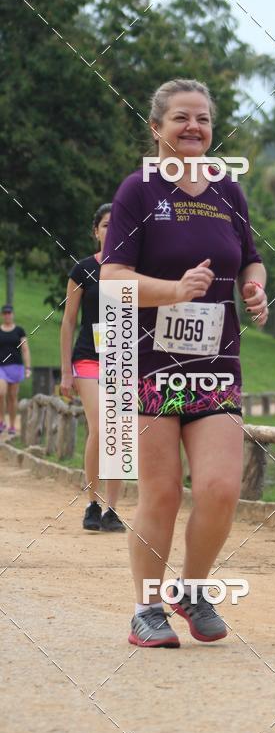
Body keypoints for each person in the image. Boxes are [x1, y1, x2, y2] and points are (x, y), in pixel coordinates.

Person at [102, 78, 267, 648]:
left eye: (202, 118)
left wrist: (253, 288)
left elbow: (250, 259)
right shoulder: (138, 191)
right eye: (180, 118)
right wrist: (173, 291)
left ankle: (192, 590)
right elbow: (113, 277)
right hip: (149, 363)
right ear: (157, 128)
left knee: (220, 487)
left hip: (216, 364)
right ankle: (146, 609)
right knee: (163, 492)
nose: (193, 127)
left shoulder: (227, 190)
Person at [60, 205, 125, 532]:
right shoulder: (83, 269)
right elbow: (68, 321)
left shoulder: (135, 269)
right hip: (88, 358)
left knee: (120, 433)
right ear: (95, 231)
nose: (111, 230)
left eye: (117, 224)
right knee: (101, 427)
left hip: (124, 360)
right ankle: (92, 503)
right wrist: (65, 371)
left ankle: (112, 509)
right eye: (105, 225)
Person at [0, 305, 31, 436]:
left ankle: (12, 424)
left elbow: (25, 349)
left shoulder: (19, 331)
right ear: (2, 315)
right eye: (5, 313)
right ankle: (1, 420)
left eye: (9, 313)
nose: (7, 315)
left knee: (13, 397)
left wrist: (28, 367)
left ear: (13, 314)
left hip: (16, 366)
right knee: (1, 393)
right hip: (1, 367)